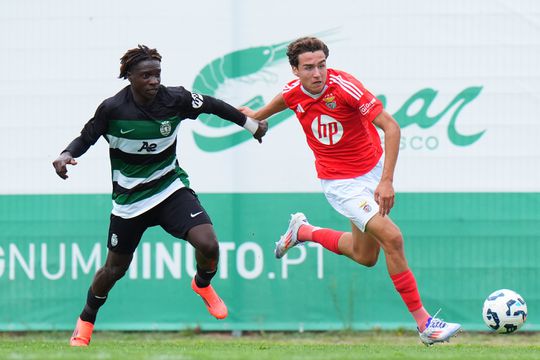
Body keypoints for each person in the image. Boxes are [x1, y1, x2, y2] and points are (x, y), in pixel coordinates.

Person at [239, 36, 460, 346]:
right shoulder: (292, 94)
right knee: (393, 238)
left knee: (364, 256)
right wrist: (251, 115)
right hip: (340, 183)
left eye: (321, 65)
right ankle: (425, 324)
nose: (317, 74)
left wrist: (385, 181)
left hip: (371, 173)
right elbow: (270, 109)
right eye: (309, 68)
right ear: (295, 70)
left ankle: (303, 231)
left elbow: (392, 128)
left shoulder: (344, 87)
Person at [52, 45, 267, 347]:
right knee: (113, 271)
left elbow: (212, 105)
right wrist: (66, 155)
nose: (154, 81)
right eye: (146, 75)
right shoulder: (112, 109)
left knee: (208, 243)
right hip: (129, 202)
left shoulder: (174, 99)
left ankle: (202, 285)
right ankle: (85, 321)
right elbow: (86, 138)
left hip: (169, 189)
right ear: (129, 76)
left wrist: (251, 125)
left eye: (157, 74)